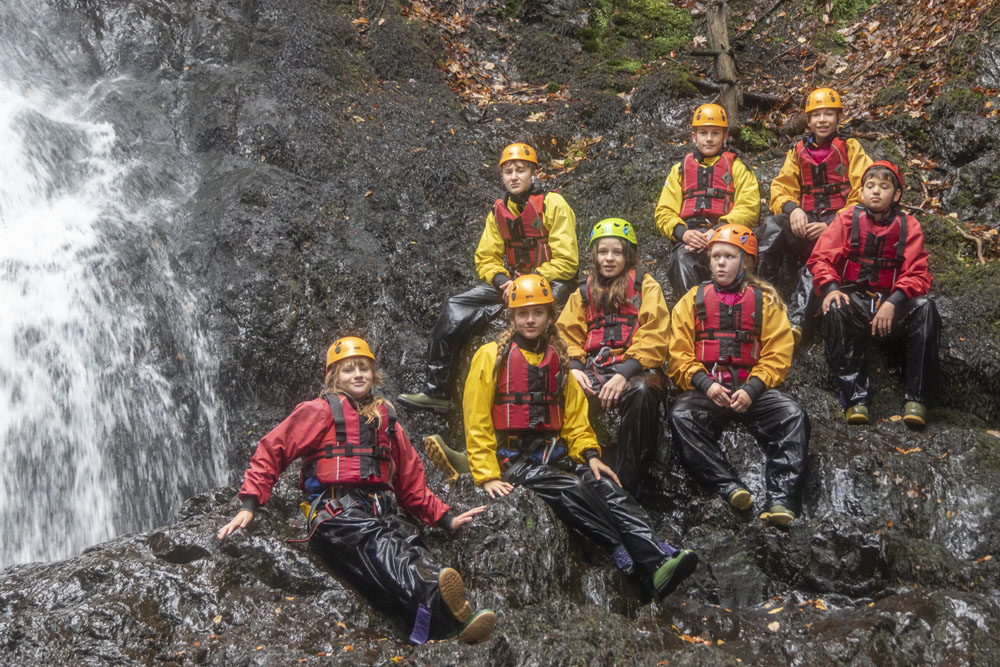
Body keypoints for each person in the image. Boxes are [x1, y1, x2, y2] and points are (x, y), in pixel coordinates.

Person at [217, 337, 496, 644]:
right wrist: (249, 503)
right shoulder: (320, 411)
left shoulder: (388, 420)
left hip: (380, 509)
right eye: (348, 370)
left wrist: (445, 518)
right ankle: (439, 598)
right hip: (335, 512)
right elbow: (274, 449)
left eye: (363, 368)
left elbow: (410, 481)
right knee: (379, 546)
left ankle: (445, 627)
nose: (358, 374)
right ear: (334, 377)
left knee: (410, 546)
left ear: (373, 374)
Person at [463, 273, 698, 599]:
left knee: (607, 486)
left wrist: (590, 455)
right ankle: (625, 552)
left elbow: (575, 418)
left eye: (538, 313)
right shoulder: (492, 356)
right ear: (512, 316)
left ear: (549, 315)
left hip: (553, 454)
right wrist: (487, 475)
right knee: (572, 487)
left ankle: (658, 559)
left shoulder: (558, 358)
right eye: (522, 314)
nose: (530, 320)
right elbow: (475, 419)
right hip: (512, 459)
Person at [398, 142, 579, 412]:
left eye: (520, 170)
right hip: (513, 284)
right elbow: (486, 257)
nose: (514, 176)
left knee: (551, 299)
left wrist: (525, 283)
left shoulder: (553, 204)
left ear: (533, 174)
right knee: (454, 306)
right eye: (508, 171)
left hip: (550, 281)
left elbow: (568, 262)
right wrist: (501, 281)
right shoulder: (498, 212)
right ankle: (436, 391)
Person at [668, 224, 809, 527]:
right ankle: (729, 486)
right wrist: (706, 385)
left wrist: (752, 389)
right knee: (680, 415)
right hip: (710, 391)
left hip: (751, 390)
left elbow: (778, 353)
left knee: (793, 414)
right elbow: (678, 354)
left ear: (746, 262)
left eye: (729, 257)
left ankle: (782, 500)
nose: (720, 262)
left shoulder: (765, 301)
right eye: (716, 256)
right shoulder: (693, 299)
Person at [807, 160, 940, 426]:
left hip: (893, 302)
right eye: (870, 186)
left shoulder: (909, 225)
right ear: (861, 191)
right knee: (834, 307)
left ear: (897, 194)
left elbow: (918, 272)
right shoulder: (846, 218)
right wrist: (831, 289)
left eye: (883, 186)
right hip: (855, 298)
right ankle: (856, 398)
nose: (876, 191)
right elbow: (820, 259)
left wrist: (893, 302)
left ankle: (917, 400)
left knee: (926, 307)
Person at [555, 218, 670, 496]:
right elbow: (566, 335)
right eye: (603, 252)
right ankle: (571, 468)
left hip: (633, 370)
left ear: (627, 255)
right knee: (561, 387)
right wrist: (574, 367)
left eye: (617, 252)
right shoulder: (583, 292)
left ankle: (628, 483)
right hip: (594, 369)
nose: (609, 258)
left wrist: (624, 373)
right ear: (594, 255)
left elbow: (656, 334)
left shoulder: (645, 286)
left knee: (642, 391)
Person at [756, 88, 872, 344]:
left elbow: (865, 193)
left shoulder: (851, 148)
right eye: (816, 115)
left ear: (838, 117)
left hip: (837, 230)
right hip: (804, 224)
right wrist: (792, 209)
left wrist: (832, 226)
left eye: (828, 114)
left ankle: (796, 323)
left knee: (818, 259)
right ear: (807, 121)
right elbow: (780, 188)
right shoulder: (797, 151)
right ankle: (757, 296)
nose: (822, 120)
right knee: (772, 226)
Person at [654, 103, 761, 299]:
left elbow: (750, 207)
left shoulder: (738, 167)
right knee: (681, 259)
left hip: (729, 236)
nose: (709, 139)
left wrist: (720, 230)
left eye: (715, 133)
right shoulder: (679, 170)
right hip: (691, 237)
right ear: (694, 136)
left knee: (735, 260)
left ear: (725, 136)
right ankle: (691, 315)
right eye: (703, 133)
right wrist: (683, 234)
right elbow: (664, 212)